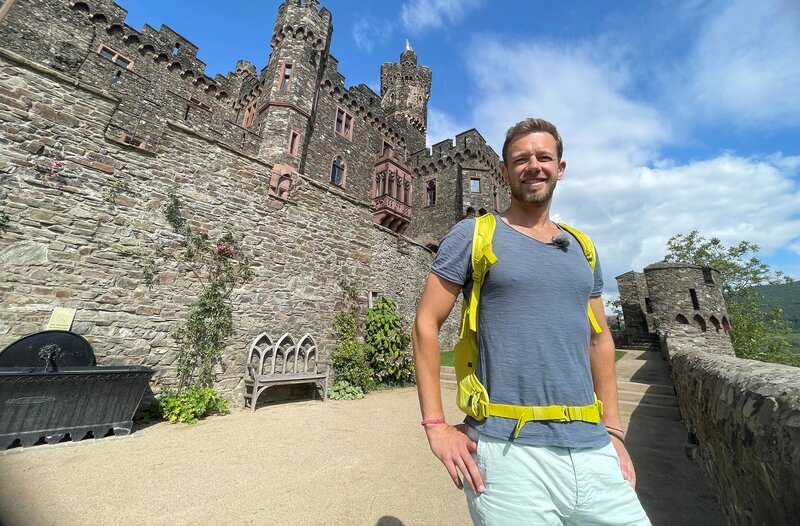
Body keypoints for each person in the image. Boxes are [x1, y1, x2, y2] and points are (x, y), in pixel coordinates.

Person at [412, 118, 650, 525]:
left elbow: (600, 341)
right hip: (507, 454)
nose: (533, 165)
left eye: (544, 157)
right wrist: (435, 425)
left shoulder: (582, 248)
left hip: (592, 448)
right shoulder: (472, 235)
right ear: (503, 172)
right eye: (520, 159)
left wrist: (614, 431)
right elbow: (426, 323)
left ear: (560, 167)